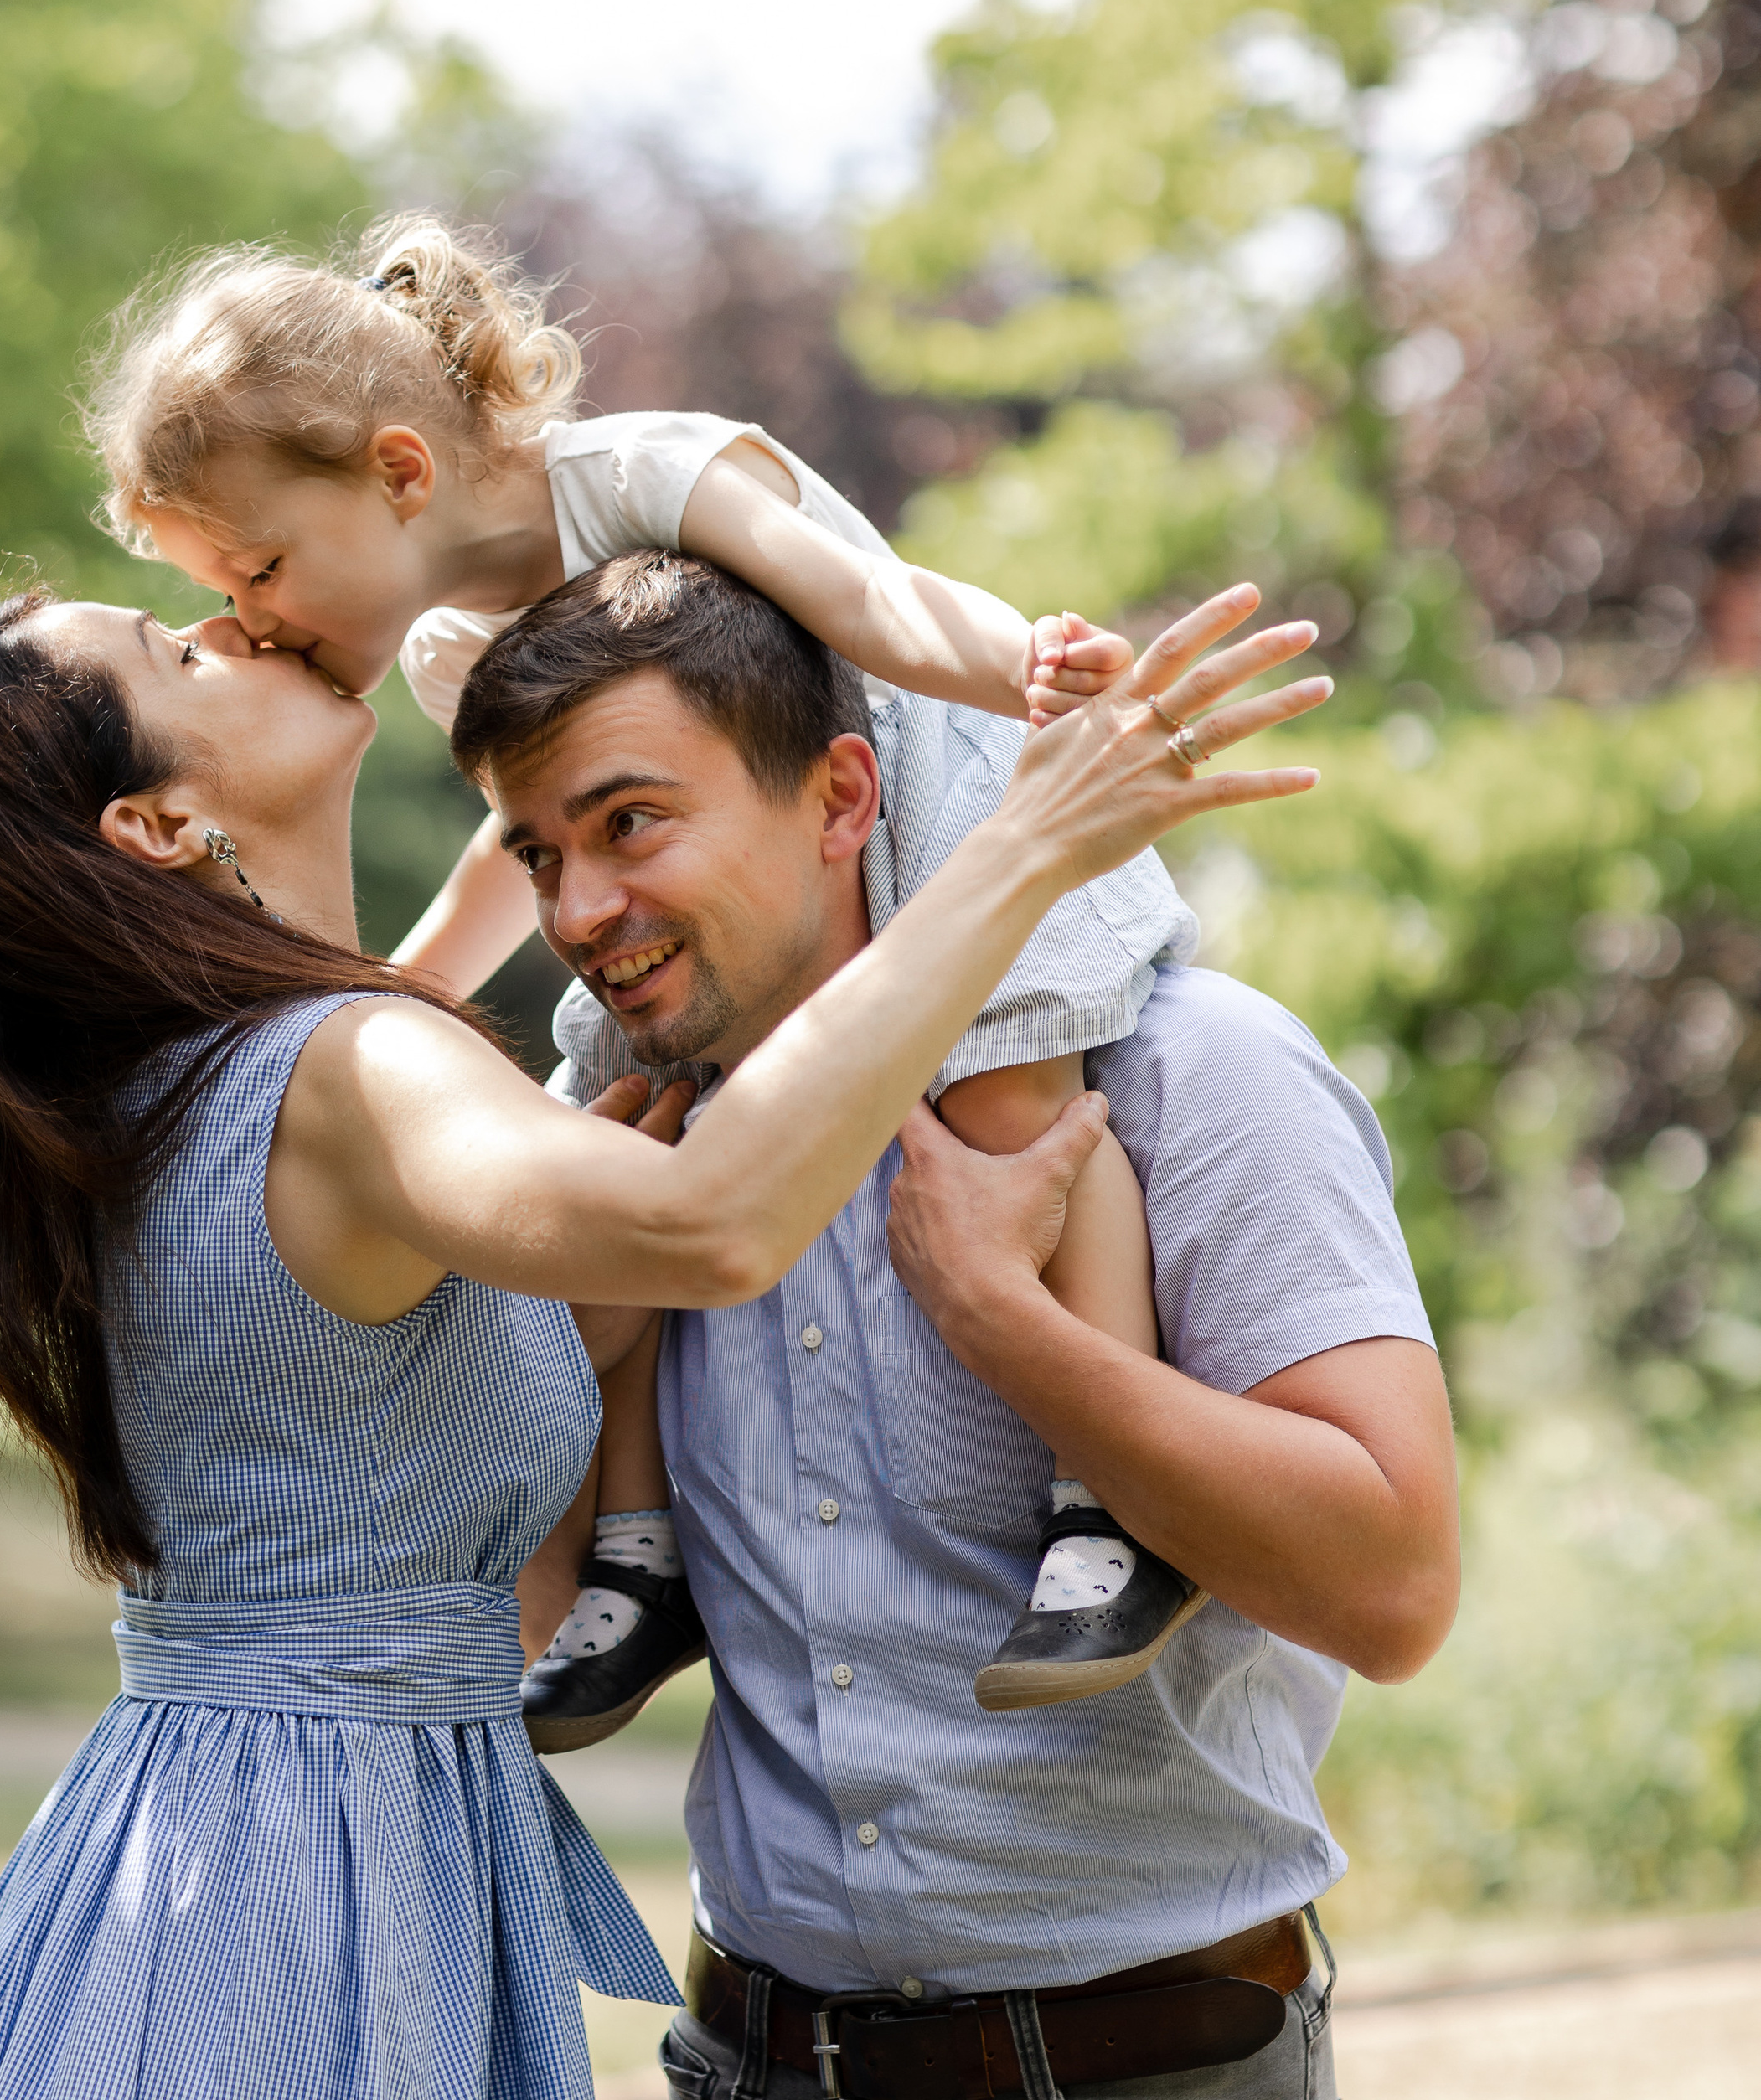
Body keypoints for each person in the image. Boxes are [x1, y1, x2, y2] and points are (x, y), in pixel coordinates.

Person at [0, 584, 1318, 2100]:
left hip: (218, 1844)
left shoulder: (167, 1083)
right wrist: (1023, 843)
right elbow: (711, 1222)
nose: (248, 622)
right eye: (187, 653)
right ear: (152, 825)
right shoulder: (346, 1070)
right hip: (315, 1885)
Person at [85, 214, 1211, 1716]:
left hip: (912, 786)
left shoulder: (644, 476)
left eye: (262, 566)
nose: (249, 619)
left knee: (1020, 1091)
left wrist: (1031, 673)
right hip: (705, 888)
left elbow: (868, 604)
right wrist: (405, 990)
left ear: (401, 472)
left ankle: (1108, 1507)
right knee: (603, 1128)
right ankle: (640, 1545)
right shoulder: (443, 648)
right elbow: (525, 832)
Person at [451, 553, 1462, 2100]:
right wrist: (572, 1348)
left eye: (630, 823)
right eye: (537, 857)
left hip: (1150, 2066)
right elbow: (542, 1633)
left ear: (843, 797)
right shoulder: (626, 1158)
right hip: (753, 2058)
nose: (582, 910)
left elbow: (1394, 1592)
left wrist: (1010, 1325)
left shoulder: (1198, 1077)